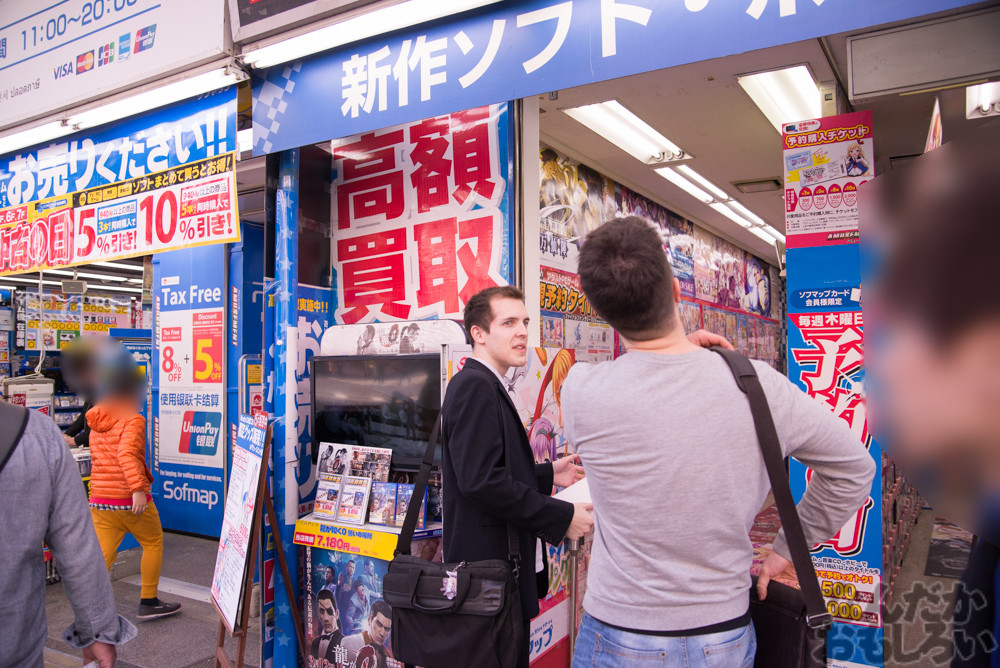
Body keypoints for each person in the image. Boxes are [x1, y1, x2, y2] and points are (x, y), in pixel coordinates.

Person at [563, 217, 876, 666]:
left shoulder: (581, 391)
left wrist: (677, 355)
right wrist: (786, 548)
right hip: (722, 633)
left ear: (600, 310)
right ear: (676, 290)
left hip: (618, 631)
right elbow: (854, 468)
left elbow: (651, 397)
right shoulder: (758, 386)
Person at [441, 285, 594, 667]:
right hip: (489, 580)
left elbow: (489, 470)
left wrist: (548, 473)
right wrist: (561, 516)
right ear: (478, 333)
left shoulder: (486, 383)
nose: (523, 331)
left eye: (524, 322)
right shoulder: (475, 386)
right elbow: (481, 481)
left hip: (497, 579)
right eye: (508, 323)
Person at [0, 400, 137, 667]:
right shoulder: (35, 434)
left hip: (103, 495)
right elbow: (76, 546)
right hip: (16, 646)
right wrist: (98, 631)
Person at [87, 348, 181, 620]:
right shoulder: (133, 419)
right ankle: (149, 601)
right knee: (153, 542)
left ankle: (89, 605)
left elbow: (102, 457)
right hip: (127, 497)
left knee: (103, 552)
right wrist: (138, 489)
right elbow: (126, 454)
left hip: (100, 498)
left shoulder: (96, 418)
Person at [340, 600, 393, 668]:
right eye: (379, 625)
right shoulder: (350, 643)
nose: (382, 633)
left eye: (386, 629)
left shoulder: (386, 655)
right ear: (369, 620)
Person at [310, 589, 344, 665]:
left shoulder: (344, 641)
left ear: (337, 614)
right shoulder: (315, 643)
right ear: (318, 614)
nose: (326, 618)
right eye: (322, 611)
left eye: (329, 611)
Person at [337, 559, 356, 631]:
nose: (351, 569)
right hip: (342, 608)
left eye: (353, 568)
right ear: (346, 567)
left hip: (352, 610)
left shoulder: (355, 581)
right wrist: (339, 585)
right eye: (350, 567)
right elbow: (337, 592)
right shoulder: (341, 578)